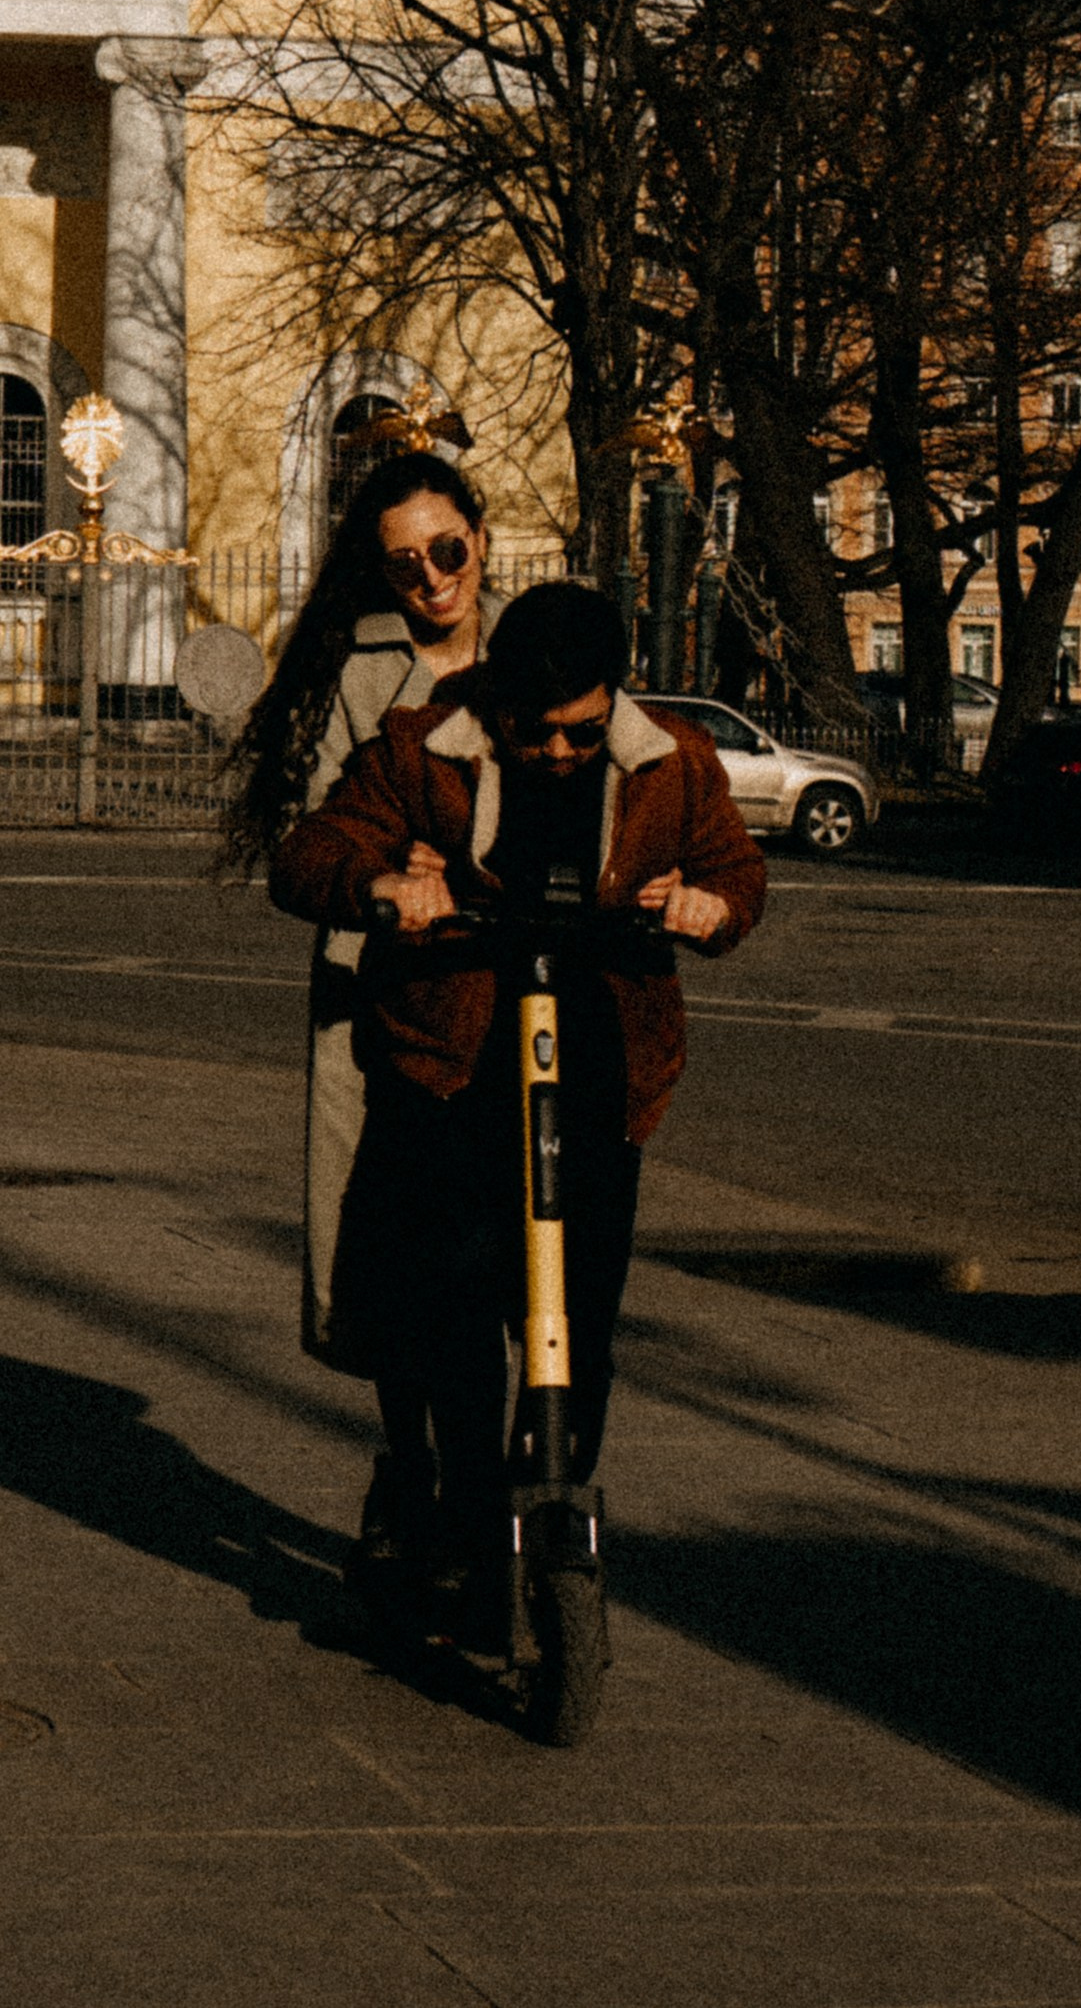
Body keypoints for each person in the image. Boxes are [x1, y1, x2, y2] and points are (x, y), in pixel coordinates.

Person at [269, 581, 766, 1629]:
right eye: (532, 734)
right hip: (454, 1064)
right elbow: (310, 854)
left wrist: (706, 906)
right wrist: (385, 890)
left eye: (579, 736)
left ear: (612, 702)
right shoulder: (419, 747)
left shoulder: (669, 761)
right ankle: (463, 1507)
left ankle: (556, 1492)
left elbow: (735, 868)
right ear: (495, 701)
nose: (553, 755)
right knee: (453, 1299)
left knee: (581, 1314)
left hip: (600, 1066)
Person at [220, 449, 503, 1573]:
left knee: (499, 1243)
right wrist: (390, 870)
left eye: (449, 549)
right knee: (384, 1240)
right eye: (405, 565)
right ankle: (409, 1461)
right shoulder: (357, 672)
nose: (434, 579)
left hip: (504, 981)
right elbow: (323, 832)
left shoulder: (533, 646)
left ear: (481, 532)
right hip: (383, 982)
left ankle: (494, 1480)